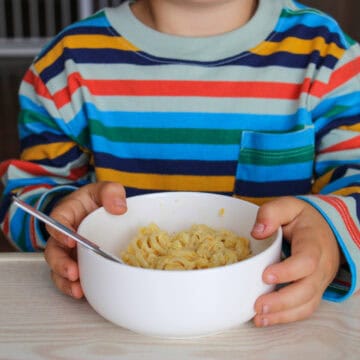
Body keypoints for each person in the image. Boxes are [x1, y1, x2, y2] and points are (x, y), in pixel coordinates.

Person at [0, 0, 359, 328]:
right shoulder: (65, 66)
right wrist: (57, 217)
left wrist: (330, 232)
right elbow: (23, 194)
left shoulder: (329, 59)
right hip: (113, 324)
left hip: (275, 326)